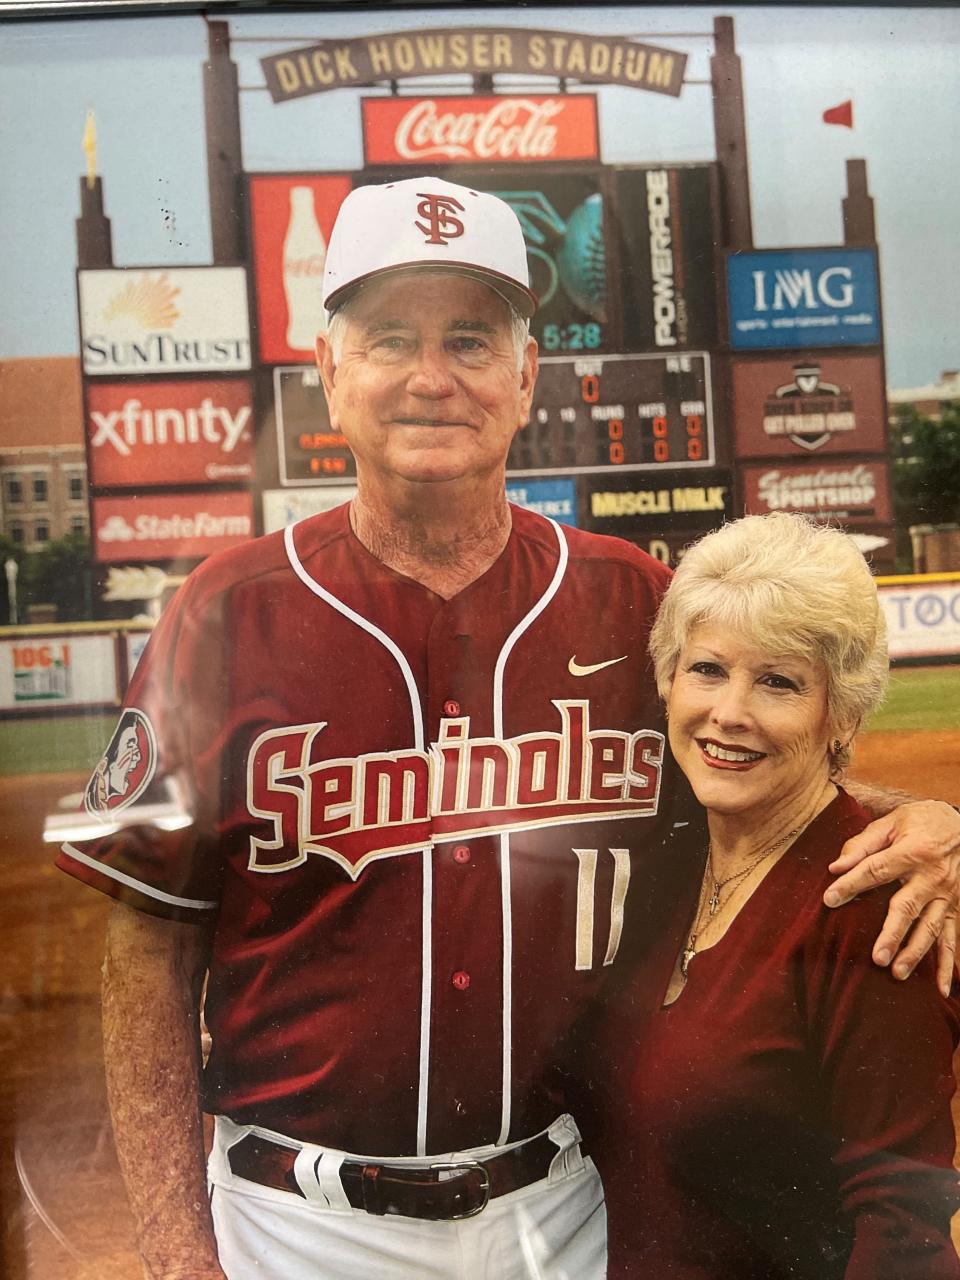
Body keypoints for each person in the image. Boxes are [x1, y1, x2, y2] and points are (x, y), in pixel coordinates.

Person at [56, 178, 960, 1280]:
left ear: (526, 374)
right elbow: (148, 948)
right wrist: (175, 1258)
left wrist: (926, 820)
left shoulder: (637, 604)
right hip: (296, 1225)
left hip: (567, 1209)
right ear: (328, 374)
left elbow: (759, 780)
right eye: (392, 337)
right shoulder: (222, 612)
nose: (434, 377)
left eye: (473, 340)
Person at [601, 512, 960, 1278]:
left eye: (778, 682)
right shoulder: (666, 860)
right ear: (666, 678)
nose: (730, 712)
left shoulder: (875, 906)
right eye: (707, 670)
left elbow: (901, 1228)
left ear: (842, 712)